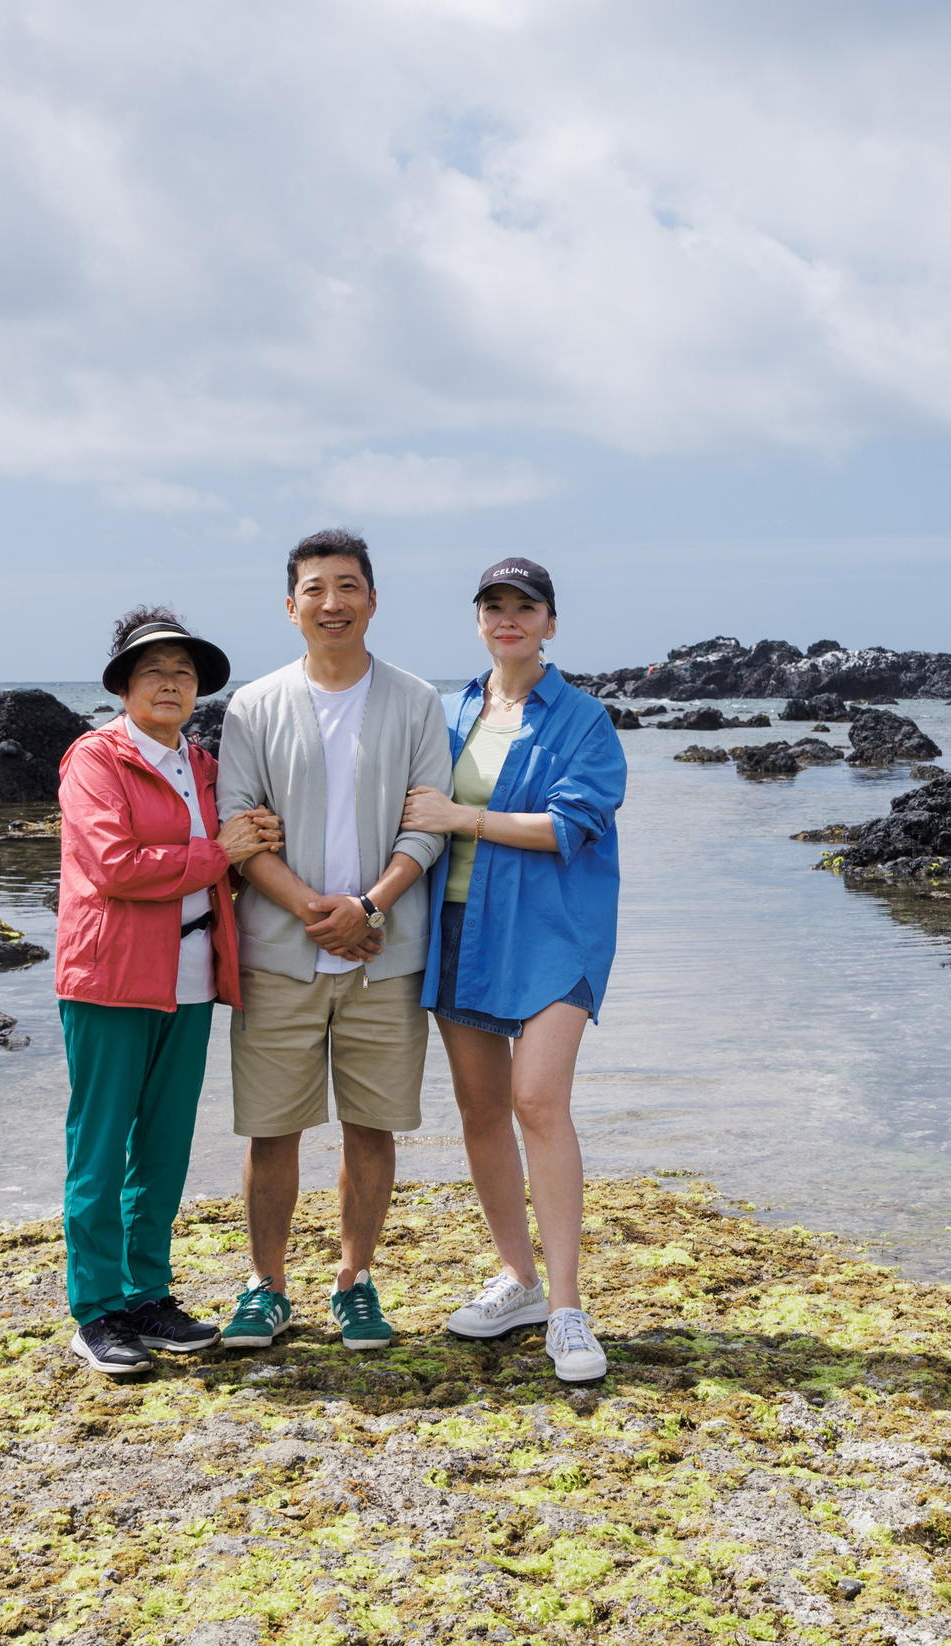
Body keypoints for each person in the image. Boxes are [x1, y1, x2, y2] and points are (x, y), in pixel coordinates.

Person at [213, 529, 455, 1350]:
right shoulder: (253, 705)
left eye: (348, 587)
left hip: (383, 954)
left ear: (373, 601)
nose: (332, 603)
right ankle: (266, 1284)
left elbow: (428, 825)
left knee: (371, 1124)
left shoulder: (417, 700)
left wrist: (371, 910)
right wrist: (324, 909)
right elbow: (238, 830)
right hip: (280, 950)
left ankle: (355, 1280)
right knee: (271, 1127)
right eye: (314, 589)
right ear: (291, 607)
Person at [400, 558, 625, 1384]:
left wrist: (464, 816)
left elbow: (573, 825)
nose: (508, 620)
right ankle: (519, 1282)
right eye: (493, 607)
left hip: (554, 931)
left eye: (524, 607)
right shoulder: (449, 710)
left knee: (538, 1101)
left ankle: (567, 1308)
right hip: (460, 925)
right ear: (480, 621)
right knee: (482, 1108)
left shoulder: (583, 720)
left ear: (550, 624)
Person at [55, 607, 284, 1375]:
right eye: (153, 671)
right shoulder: (95, 760)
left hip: (190, 980)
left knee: (162, 1149)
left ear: (198, 692)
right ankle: (96, 1311)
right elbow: (116, 866)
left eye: (183, 673)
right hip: (110, 979)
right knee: (98, 1148)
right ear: (124, 684)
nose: (169, 683)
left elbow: (243, 848)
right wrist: (215, 852)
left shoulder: (210, 769)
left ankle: (147, 1294)